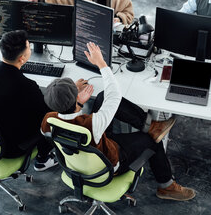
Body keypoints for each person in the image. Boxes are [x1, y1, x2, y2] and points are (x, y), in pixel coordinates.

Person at [41, 42, 196, 201]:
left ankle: (151, 125)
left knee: (101, 97)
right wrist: (101, 63)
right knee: (153, 140)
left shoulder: (48, 120)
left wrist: (71, 96)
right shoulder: (93, 123)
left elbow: (72, 112)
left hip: (79, 162)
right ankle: (167, 186)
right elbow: (114, 94)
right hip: (107, 166)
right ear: (75, 101)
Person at [0, 30, 57, 171]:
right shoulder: (27, 86)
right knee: (51, 118)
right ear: (22, 58)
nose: (30, 49)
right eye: (29, 47)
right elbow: (47, 116)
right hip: (11, 150)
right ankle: (43, 159)